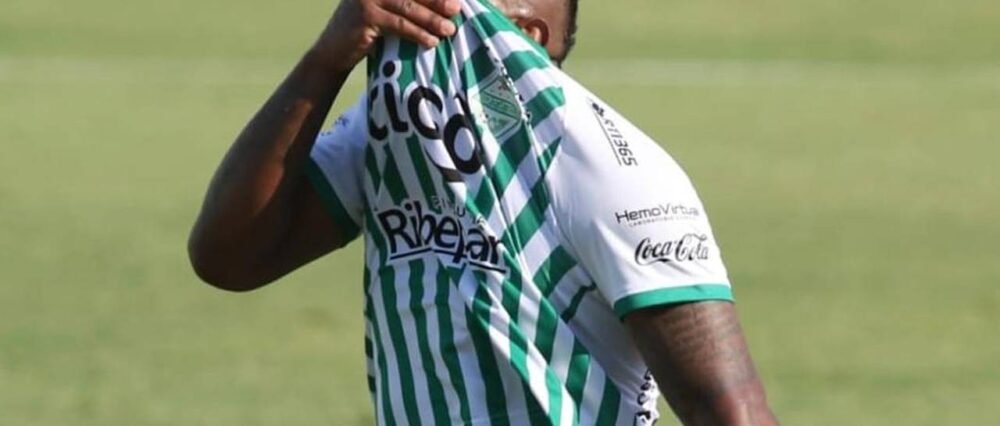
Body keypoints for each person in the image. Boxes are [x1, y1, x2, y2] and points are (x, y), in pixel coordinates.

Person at [188, 0, 779, 424]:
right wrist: (326, 60)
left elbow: (731, 412)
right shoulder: (390, 131)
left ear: (525, 31)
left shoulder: (609, 171)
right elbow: (229, 256)